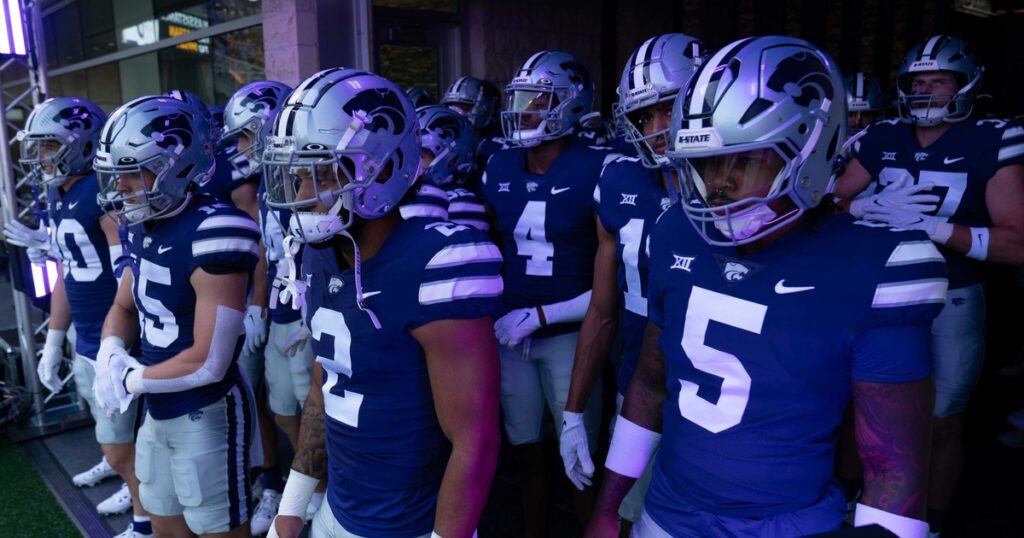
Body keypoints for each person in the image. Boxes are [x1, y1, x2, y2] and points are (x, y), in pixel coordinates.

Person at [589, 35, 946, 538]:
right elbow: (649, 384)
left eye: (746, 160)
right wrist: (607, 510)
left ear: (811, 151)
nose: (719, 183)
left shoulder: (877, 266)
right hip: (665, 514)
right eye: (708, 162)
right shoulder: (673, 231)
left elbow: (894, 469)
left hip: (788, 526)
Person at [262, 68, 502, 538]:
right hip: (336, 512)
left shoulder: (435, 261)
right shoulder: (318, 253)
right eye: (293, 174)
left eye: (316, 172)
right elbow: (324, 384)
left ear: (380, 168)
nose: (299, 193)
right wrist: (292, 506)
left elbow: (475, 439)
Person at [834, 34, 1024, 537]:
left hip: (951, 294)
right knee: (863, 403)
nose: (927, 92)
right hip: (879, 291)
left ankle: (932, 521)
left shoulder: (995, 136)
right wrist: (856, 208)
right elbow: (823, 202)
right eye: (918, 82)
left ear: (965, 84)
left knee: (943, 417)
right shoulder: (884, 135)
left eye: (939, 81)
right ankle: (856, 500)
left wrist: (940, 230)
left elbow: (1018, 242)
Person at [93, 95, 260, 537]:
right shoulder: (144, 223)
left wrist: (130, 381)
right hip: (158, 402)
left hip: (204, 411)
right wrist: (111, 349)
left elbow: (209, 361)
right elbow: (123, 305)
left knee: (218, 529)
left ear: (176, 164)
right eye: (116, 175)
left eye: (131, 172)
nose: (120, 188)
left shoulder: (217, 229)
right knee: (164, 524)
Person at [559, 33, 706, 532]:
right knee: (631, 520)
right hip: (638, 389)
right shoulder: (618, 180)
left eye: (669, 109)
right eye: (644, 117)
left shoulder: (739, 184)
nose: (657, 129)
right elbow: (603, 311)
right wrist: (574, 412)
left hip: (714, 402)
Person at [4, 96, 150, 537]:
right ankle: (129, 480)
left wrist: (113, 340)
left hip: (114, 334)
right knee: (111, 432)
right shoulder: (60, 192)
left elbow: (129, 272)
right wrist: (53, 340)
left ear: (81, 143)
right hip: (85, 333)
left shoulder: (104, 194)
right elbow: (69, 274)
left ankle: (144, 519)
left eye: (48, 147)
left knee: (124, 439)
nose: (39, 158)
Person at [484, 49, 612, 533]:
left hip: (571, 336)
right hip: (509, 333)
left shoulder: (600, 167)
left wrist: (544, 314)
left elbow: (615, 282)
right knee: (525, 449)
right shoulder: (497, 166)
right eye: (521, 98)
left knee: (579, 458)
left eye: (538, 99)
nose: (525, 109)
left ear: (572, 104)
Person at [222, 79, 312, 535]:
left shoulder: (309, 171)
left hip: (306, 308)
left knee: (310, 404)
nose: (240, 147)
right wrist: (261, 304)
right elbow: (267, 248)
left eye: (244, 134)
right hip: (280, 303)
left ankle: (320, 490)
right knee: (282, 408)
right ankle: (306, 488)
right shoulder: (272, 178)